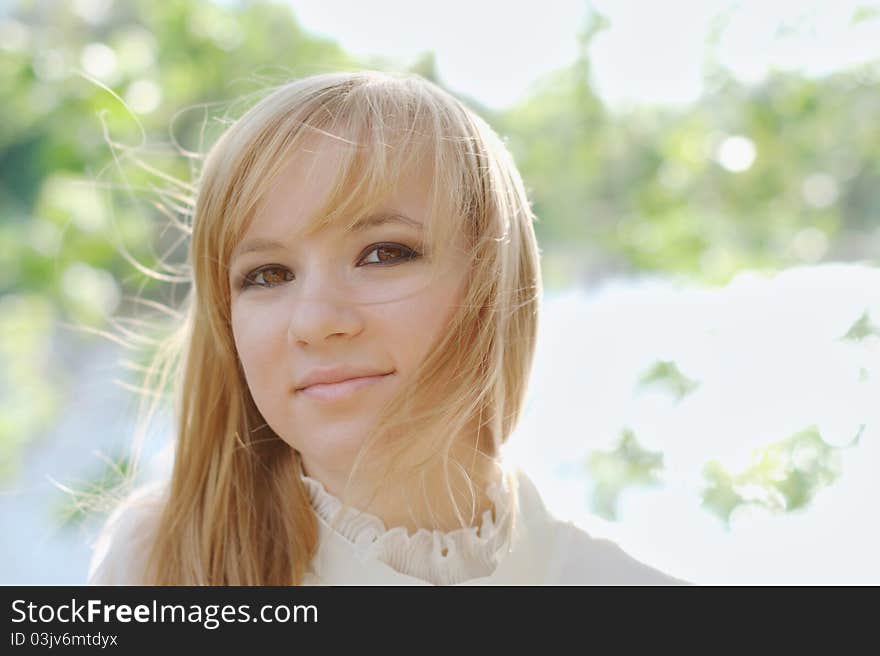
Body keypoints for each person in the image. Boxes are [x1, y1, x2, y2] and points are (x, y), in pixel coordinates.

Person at [87, 70, 683, 585]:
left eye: (383, 254)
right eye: (268, 274)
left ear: (492, 282)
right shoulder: (157, 564)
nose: (317, 321)